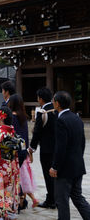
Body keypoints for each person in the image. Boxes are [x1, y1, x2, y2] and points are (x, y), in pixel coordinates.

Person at [50, 91, 90, 220]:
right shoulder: (77, 118)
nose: (52, 103)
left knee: (62, 201)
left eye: (53, 101)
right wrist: (77, 159)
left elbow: (60, 147)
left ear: (57, 103)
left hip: (65, 170)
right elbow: (82, 143)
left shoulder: (61, 120)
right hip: (77, 166)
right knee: (77, 197)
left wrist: (55, 167)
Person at [0, 107, 20, 220]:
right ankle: (10, 212)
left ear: (0, 117)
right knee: (9, 190)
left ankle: (1, 214)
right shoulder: (12, 131)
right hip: (11, 167)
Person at [28, 87, 56, 209]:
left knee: (48, 174)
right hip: (57, 148)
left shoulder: (43, 112)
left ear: (40, 98)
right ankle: (57, 199)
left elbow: (37, 132)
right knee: (56, 174)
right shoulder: (57, 110)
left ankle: (50, 200)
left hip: (46, 149)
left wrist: (32, 148)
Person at [8, 94, 30, 210]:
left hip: (14, 152)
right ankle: (21, 200)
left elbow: (10, 137)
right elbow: (26, 136)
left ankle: (18, 201)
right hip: (23, 151)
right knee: (17, 176)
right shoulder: (24, 117)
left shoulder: (12, 117)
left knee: (13, 177)